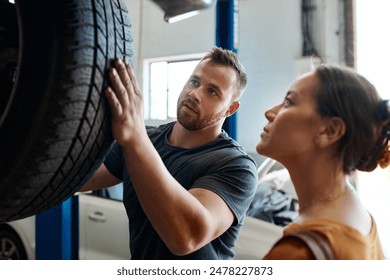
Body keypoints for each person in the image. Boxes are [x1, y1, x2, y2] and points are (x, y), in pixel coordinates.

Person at [80, 47, 258, 260]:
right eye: (194, 82)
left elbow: (186, 236)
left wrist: (135, 137)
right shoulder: (145, 141)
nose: (195, 94)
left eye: (212, 91)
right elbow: (73, 180)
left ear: (230, 109)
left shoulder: (236, 165)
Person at [256, 65, 389, 259]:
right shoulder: (362, 219)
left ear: (330, 131)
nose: (270, 112)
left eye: (289, 102)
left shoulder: (301, 253)